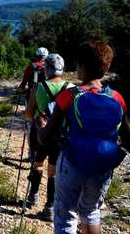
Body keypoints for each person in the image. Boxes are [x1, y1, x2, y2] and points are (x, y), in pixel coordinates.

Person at [37, 41, 130, 234]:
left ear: (82, 66)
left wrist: (41, 126)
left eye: (78, 63)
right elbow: (128, 139)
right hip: (103, 165)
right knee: (91, 211)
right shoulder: (116, 98)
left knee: (65, 215)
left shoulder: (69, 95)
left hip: (73, 162)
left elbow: (45, 138)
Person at [24, 53, 73, 221]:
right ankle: (50, 206)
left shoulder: (39, 87)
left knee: (37, 164)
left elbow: (29, 114)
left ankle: (33, 195)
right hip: (61, 135)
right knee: (53, 171)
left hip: (41, 132)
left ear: (47, 69)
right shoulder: (71, 88)